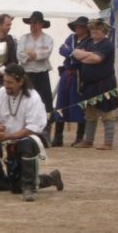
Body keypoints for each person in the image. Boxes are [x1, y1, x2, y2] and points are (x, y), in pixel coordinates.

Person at [0, 64, 64, 202]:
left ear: (21, 82)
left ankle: (28, 188)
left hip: (31, 139)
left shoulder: (33, 98)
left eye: (10, 83)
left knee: (26, 143)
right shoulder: (1, 93)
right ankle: (51, 178)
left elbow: (32, 128)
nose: (6, 85)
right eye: (4, 81)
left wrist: (8, 136)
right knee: (15, 187)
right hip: (11, 141)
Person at [72, 19, 118, 150]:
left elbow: (96, 59)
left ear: (103, 31)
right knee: (89, 113)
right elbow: (75, 53)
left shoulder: (107, 44)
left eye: (97, 29)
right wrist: (89, 55)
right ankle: (88, 140)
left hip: (104, 83)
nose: (94, 31)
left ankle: (108, 142)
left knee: (107, 112)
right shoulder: (88, 41)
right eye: (92, 29)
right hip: (89, 84)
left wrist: (85, 56)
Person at [52, 16, 90, 147]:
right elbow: (62, 49)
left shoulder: (90, 41)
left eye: (80, 26)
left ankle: (80, 136)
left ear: (86, 28)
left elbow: (86, 56)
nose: (78, 28)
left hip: (80, 75)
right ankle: (58, 136)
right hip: (67, 73)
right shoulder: (71, 38)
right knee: (61, 104)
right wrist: (75, 53)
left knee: (79, 105)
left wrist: (79, 54)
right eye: (77, 26)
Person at [17, 11, 54, 138]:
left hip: (42, 74)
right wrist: (33, 55)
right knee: (26, 100)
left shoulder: (48, 39)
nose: (33, 25)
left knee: (45, 102)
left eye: (36, 23)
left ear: (41, 24)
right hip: (27, 74)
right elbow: (20, 55)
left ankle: (45, 131)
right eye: (32, 22)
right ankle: (25, 130)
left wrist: (33, 54)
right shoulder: (24, 38)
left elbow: (46, 54)